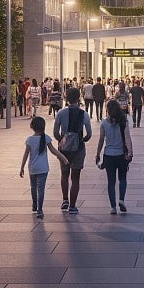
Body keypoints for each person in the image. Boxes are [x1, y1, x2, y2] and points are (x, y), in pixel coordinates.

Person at [53, 87, 92, 215]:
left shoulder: (60, 113)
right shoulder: (84, 114)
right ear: (78, 98)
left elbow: (55, 133)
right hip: (78, 149)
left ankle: (65, 200)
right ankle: (73, 206)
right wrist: (82, 140)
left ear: (67, 98)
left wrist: (62, 140)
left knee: (64, 174)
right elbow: (89, 134)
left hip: (63, 150)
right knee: (75, 177)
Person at [19, 116, 68, 219]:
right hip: (43, 168)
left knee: (33, 187)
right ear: (43, 127)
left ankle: (34, 205)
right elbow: (53, 150)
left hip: (32, 168)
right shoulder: (46, 138)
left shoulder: (30, 139)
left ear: (32, 126)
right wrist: (63, 157)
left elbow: (25, 154)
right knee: (41, 189)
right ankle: (39, 210)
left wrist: (22, 167)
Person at [95, 99, 133, 214]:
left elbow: (101, 140)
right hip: (121, 154)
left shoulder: (104, 123)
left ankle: (113, 207)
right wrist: (130, 152)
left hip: (109, 155)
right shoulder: (123, 121)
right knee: (122, 179)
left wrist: (97, 154)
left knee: (111, 182)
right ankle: (121, 199)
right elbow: (127, 138)